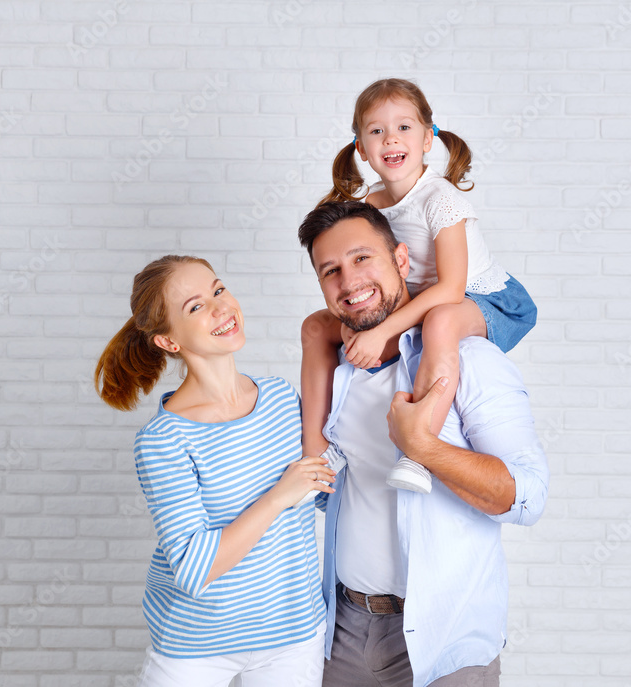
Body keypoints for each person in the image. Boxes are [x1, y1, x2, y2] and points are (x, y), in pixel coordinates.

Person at [297, 202, 550, 686]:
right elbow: (330, 486)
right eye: (331, 270)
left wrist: (423, 448)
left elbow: (529, 496)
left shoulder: (469, 360)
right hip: (344, 628)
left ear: (400, 259)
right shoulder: (340, 371)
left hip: (446, 639)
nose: (348, 282)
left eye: (361, 258)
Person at [95, 255, 335, 686]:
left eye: (218, 290)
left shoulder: (282, 399)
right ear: (168, 342)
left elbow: (321, 492)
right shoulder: (164, 440)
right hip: (195, 646)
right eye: (195, 306)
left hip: (292, 635)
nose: (221, 308)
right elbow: (193, 569)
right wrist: (279, 495)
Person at [301, 78, 537, 494]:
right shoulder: (370, 206)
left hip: (485, 299)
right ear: (361, 148)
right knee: (319, 327)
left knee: (442, 323)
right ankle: (320, 451)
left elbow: (450, 289)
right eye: (376, 131)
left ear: (428, 138)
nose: (391, 138)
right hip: (426, 300)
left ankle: (418, 448)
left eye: (404, 128)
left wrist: (382, 330)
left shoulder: (441, 201)